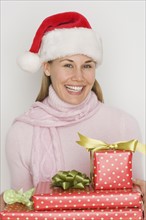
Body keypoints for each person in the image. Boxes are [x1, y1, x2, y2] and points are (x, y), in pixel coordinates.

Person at [1, 11, 145, 216]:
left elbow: (134, 208)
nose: (78, 77)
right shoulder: (22, 133)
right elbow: (23, 211)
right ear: (47, 67)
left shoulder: (124, 124)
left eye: (87, 66)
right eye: (68, 65)